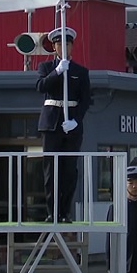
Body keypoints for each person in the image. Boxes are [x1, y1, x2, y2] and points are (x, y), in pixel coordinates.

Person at [36, 26, 91, 223]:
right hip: (51, 122)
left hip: (72, 124)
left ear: (72, 46)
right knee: (51, 170)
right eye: (59, 44)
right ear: (54, 46)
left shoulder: (81, 71)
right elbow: (41, 87)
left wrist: (76, 120)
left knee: (69, 170)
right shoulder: (46, 67)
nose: (63, 47)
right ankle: (52, 212)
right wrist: (58, 72)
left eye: (67, 43)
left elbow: (86, 100)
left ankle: (65, 212)